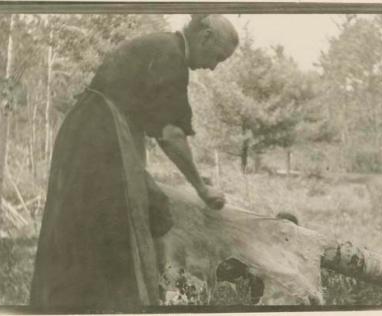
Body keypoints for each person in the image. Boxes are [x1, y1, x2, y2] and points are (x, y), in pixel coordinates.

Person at [30, 14, 239, 311]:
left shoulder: (162, 47)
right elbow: (170, 134)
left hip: (88, 137)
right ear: (204, 37)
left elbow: (151, 123)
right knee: (112, 231)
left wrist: (195, 177)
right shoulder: (170, 56)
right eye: (217, 57)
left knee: (94, 229)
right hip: (98, 143)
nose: (214, 67)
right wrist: (201, 188)